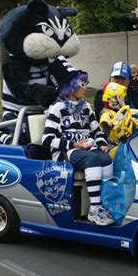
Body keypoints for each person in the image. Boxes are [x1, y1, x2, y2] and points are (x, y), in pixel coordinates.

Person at [42, 71, 114, 226]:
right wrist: (74, 145)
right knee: (93, 159)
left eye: (86, 84)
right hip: (67, 151)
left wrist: (101, 144)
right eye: (82, 84)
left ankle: (106, 205)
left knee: (106, 158)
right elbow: (47, 139)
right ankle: (94, 210)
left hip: (86, 148)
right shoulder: (57, 107)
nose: (86, 88)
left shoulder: (86, 107)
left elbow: (97, 131)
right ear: (70, 86)